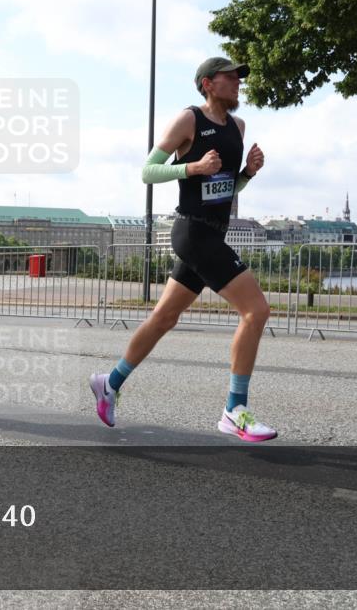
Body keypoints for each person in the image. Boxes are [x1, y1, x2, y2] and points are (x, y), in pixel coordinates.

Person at [88, 57, 277, 442]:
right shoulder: (189, 120)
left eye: (239, 79)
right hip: (192, 232)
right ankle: (234, 410)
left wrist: (248, 174)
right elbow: (148, 171)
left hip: (213, 232)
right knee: (256, 310)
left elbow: (226, 190)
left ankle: (110, 382)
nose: (238, 83)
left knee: (163, 318)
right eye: (230, 78)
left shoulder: (238, 127)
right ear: (208, 84)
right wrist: (190, 169)